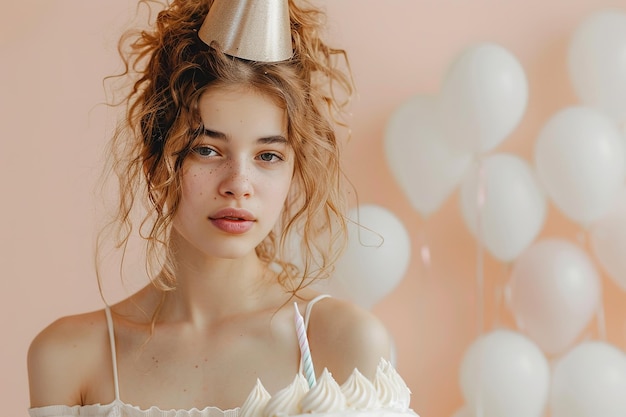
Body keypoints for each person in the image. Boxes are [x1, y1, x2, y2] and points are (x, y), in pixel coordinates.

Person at [27, 0, 394, 415]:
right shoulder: (71, 356)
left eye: (268, 156)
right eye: (207, 149)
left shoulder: (343, 342)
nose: (238, 185)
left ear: (295, 170)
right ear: (156, 159)